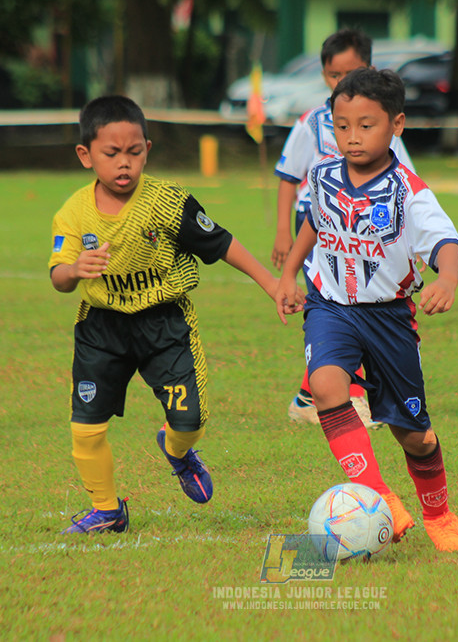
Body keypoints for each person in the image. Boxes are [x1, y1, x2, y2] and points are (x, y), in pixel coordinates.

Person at [50, 95, 289, 533]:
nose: (124, 163)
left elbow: (221, 243)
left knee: (189, 421)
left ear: (147, 149)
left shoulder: (168, 203)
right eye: (112, 153)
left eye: (134, 152)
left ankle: (177, 451)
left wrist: (272, 284)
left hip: (164, 324)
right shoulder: (73, 213)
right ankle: (106, 510)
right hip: (101, 328)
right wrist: (72, 269)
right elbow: (59, 278)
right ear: (86, 155)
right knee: (85, 428)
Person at [274, 67, 458, 552]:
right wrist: (287, 275)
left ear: (396, 125)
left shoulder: (408, 191)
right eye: (342, 126)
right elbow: (314, 225)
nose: (352, 137)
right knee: (324, 386)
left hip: (389, 318)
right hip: (331, 305)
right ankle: (381, 497)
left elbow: (446, 241)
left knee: (414, 435)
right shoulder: (321, 175)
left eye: (367, 125)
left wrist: (446, 278)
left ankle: (439, 513)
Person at [272, 28, 415, 429]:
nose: (341, 83)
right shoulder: (313, 123)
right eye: (333, 76)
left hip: (368, 229)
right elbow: (288, 175)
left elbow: (406, 183)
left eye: (349, 73)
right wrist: (284, 233)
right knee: (334, 305)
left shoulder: (382, 125)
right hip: (318, 225)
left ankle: (310, 396)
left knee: (357, 305)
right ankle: (351, 397)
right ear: (323, 76)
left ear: (369, 69)